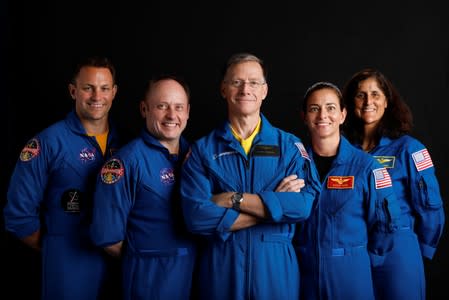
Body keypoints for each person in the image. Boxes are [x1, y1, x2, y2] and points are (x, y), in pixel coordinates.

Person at [179, 52, 321, 300]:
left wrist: (234, 199)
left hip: (275, 273)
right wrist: (273, 205)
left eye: (254, 82)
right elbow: (196, 217)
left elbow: (302, 206)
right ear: (224, 89)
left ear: (264, 90)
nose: (246, 89)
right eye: (236, 82)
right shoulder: (203, 150)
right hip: (221, 272)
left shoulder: (289, 147)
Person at [4, 56, 122, 300]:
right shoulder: (46, 143)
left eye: (104, 88)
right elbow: (17, 215)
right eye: (88, 88)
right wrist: (56, 247)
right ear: (73, 91)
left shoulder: (126, 144)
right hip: (68, 264)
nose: (96, 97)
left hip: (118, 263)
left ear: (114, 93)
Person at [90, 75, 198, 300]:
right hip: (150, 282)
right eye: (162, 106)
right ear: (144, 109)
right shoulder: (124, 163)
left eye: (178, 107)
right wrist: (146, 259)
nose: (171, 115)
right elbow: (107, 237)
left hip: (196, 277)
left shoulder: (198, 156)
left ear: (187, 111)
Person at [342, 68, 445, 300]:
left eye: (375, 94)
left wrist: (419, 250)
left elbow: (431, 206)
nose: (368, 101)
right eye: (361, 95)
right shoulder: (344, 152)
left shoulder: (409, 148)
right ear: (350, 103)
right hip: (355, 248)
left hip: (397, 249)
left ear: (387, 101)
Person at [294, 82, 401, 299]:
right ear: (304, 116)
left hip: (350, 276)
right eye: (314, 108)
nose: (323, 115)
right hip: (302, 277)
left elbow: (387, 224)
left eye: (331, 108)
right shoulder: (293, 165)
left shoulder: (367, 167)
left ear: (343, 115)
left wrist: (358, 260)